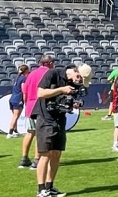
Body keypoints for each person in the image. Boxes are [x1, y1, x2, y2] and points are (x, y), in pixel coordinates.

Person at [33, 63, 90, 197]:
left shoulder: (73, 82)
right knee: (45, 154)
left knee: (57, 153)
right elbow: (40, 93)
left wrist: (73, 103)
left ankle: (49, 186)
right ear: (76, 72)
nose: (79, 82)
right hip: (45, 118)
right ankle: (41, 189)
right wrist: (61, 90)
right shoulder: (53, 73)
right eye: (80, 78)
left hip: (59, 119)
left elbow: (69, 98)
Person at [19, 56, 54, 169]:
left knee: (30, 132)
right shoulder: (50, 73)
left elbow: (25, 93)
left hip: (30, 105)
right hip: (41, 106)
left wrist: (27, 105)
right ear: (50, 63)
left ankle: (24, 158)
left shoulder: (31, 74)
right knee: (40, 134)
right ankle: (37, 160)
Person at [8, 65, 30, 138]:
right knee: (15, 117)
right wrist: (24, 100)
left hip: (12, 99)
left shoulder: (16, 78)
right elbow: (23, 90)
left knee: (15, 116)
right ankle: (10, 133)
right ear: (26, 70)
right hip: (18, 99)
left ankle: (15, 131)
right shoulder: (23, 79)